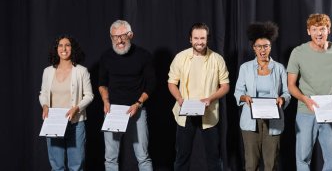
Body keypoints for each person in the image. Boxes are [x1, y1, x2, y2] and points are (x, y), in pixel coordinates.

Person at [287, 13, 332, 171]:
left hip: (330, 111)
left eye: (322, 29)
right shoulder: (298, 52)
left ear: (328, 30)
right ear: (308, 31)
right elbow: (290, 85)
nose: (319, 33)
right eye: (314, 29)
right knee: (302, 158)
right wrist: (305, 99)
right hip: (305, 111)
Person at [168, 22, 230, 171]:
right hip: (185, 113)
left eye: (202, 38)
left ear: (207, 39)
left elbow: (225, 86)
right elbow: (171, 82)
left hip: (209, 113)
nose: (199, 42)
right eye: (196, 38)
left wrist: (211, 98)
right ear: (190, 39)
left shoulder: (217, 59)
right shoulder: (180, 57)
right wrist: (179, 98)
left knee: (214, 157)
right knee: (182, 156)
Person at [98, 20, 155, 171]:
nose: (119, 40)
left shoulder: (144, 55)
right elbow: (102, 83)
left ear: (130, 35)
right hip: (113, 111)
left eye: (123, 36)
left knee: (143, 156)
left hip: (137, 109)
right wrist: (105, 101)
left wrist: (138, 103)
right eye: (115, 37)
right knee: (110, 158)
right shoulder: (106, 57)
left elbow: (151, 85)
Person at [234, 22, 291, 171]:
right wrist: (244, 98)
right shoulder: (245, 68)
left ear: (270, 47)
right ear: (254, 48)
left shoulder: (279, 68)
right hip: (250, 120)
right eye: (259, 46)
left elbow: (287, 92)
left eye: (266, 46)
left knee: (271, 164)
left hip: (273, 119)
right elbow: (238, 91)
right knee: (251, 164)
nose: (262, 50)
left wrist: (283, 99)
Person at [39, 35, 94, 171]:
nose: (64, 48)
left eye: (67, 45)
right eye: (60, 45)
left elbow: (89, 95)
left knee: (76, 166)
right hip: (54, 122)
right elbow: (43, 93)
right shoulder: (48, 71)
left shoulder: (81, 71)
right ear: (56, 49)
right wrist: (45, 105)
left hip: (75, 123)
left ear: (72, 48)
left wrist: (77, 108)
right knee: (57, 166)